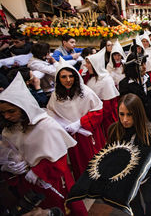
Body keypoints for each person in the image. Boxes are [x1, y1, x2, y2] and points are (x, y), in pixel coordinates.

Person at [0, 73, 87, 215]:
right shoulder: (9, 129)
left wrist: (37, 172)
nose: (7, 116)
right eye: (3, 113)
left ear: (23, 108)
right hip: (27, 184)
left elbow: (59, 159)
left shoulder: (45, 126)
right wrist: (10, 165)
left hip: (50, 179)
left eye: (11, 111)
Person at [47, 59, 105, 179]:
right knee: (78, 163)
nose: (68, 80)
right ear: (58, 79)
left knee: (95, 161)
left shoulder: (86, 92)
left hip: (88, 134)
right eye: (63, 77)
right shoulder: (55, 95)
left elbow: (98, 110)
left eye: (71, 76)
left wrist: (80, 123)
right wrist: (63, 125)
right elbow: (51, 112)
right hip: (71, 135)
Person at [107, 94, 151, 216]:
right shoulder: (113, 130)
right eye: (122, 114)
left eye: (129, 114)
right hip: (127, 178)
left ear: (138, 113)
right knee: (133, 202)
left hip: (147, 178)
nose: (125, 119)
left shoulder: (150, 131)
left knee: (149, 199)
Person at [84, 48, 119, 137]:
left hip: (104, 117)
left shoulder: (106, 80)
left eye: (88, 63)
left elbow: (109, 105)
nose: (86, 65)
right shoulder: (89, 76)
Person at [119, 52, 151, 126]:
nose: (145, 67)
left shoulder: (146, 78)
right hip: (137, 121)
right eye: (141, 65)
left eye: (144, 63)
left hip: (150, 117)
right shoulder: (125, 84)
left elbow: (150, 96)